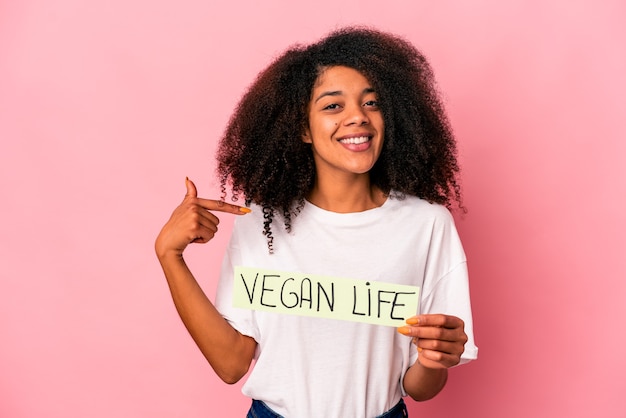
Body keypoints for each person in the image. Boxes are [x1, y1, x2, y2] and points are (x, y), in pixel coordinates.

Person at [155, 27, 478, 418]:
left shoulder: (427, 225)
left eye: (372, 102)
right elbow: (232, 364)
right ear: (303, 129)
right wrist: (170, 256)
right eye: (332, 106)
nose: (358, 117)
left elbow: (419, 388)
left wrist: (435, 359)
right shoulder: (262, 222)